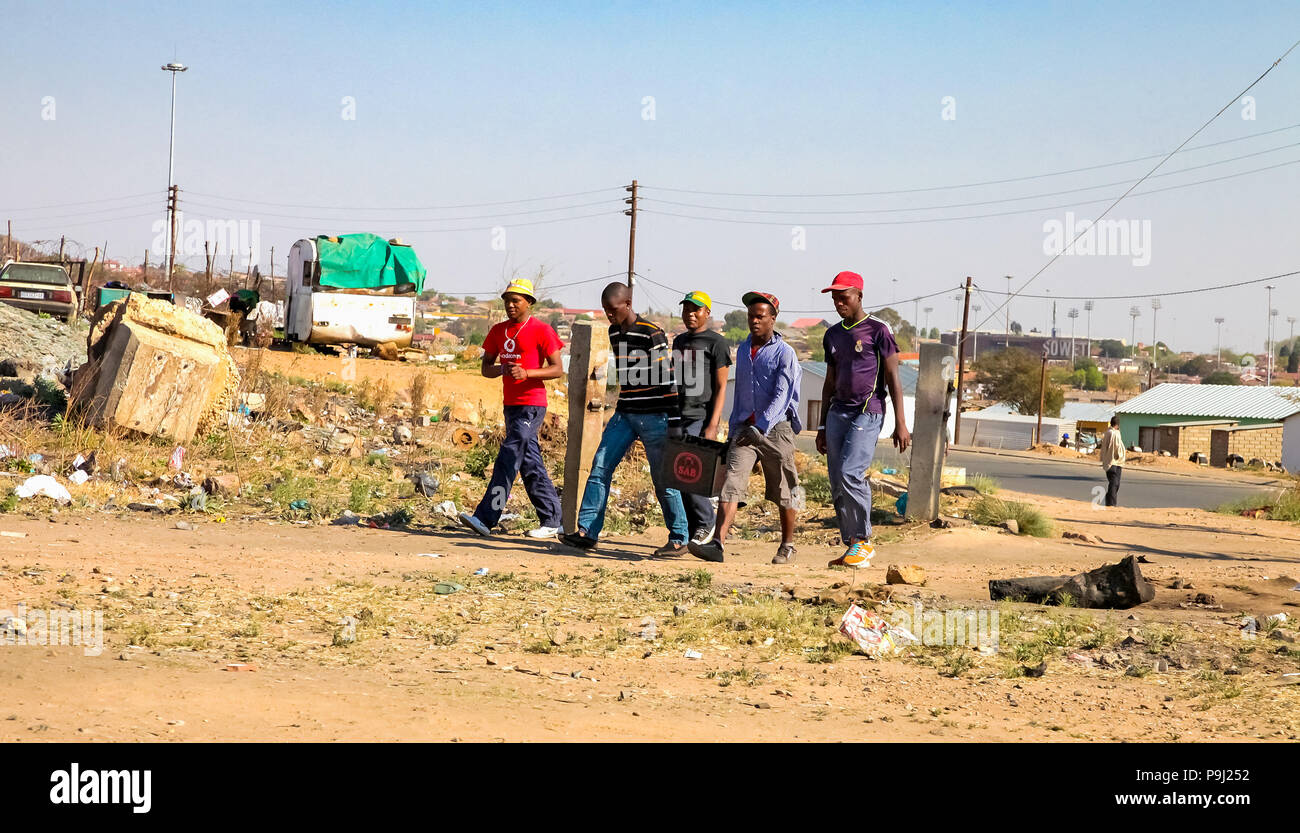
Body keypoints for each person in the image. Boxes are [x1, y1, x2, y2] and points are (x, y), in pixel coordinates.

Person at [562, 282, 689, 555]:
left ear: (628, 304)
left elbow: (667, 380)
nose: (609, 315)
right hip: (626, 413)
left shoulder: (651, 333)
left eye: (614, 310)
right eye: (606, 311)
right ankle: (586, 531)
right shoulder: (613, 333)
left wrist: (675, 422)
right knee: (599, 466)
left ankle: (679, 538)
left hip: (655, 416)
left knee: (662, 478)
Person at [689, 292, 802, 564]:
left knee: (785, 489)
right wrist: (734, 431)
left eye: (760, 317)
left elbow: (782, 394)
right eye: (751, 316)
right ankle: (717, 544)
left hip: (776, 430)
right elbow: (740, 392)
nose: (754, 321)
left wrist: (762, 426)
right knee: (732, 482)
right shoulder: (742, 348)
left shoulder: (785, 353)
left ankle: (787, 545)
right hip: (745, 429)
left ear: (773, 319)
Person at [815, 271, 911, 568]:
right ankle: (853, 546)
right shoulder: (832, 334)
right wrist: (820, 425)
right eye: (834, 298)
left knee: (849, 472)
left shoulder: (878, 330)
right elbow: (829, 382)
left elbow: (894, 377)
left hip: (868, 410)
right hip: (836, 413)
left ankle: (864, 540)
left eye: (843, 297)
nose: (838, 302)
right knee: (837, 481)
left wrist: (901, 423)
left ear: (858, 295)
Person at [458, 277, 566, 539]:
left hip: (532, 405)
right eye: (507, 301)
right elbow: (486, 369)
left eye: (516, 300)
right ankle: (553, 520)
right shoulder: (498, 331)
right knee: (529, 463)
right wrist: (501, 370)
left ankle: (485, 518)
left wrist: (526, 373)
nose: (510, 305)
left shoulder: (541, 330)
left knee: (508, 455)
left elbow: (558, 369)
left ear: (529, 302)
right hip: (511, 405)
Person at [671, 290, 732, 545]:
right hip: (679, 415)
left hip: (700, 415)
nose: (691, 314)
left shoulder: (716, 343)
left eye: (696, 309)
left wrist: (713, 423)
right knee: (676, 474)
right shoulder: (679, 341)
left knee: (691, 473)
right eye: (687, 309)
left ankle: (706, 524)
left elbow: (721, 387)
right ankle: (691, 528)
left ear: (707, 312)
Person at [1098, 415, 1125, 507]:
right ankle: (1111, 503)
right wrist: (1120, 456)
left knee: (1114, 483)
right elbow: (1117, 447)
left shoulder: (1107, 432)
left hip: (1110, 461)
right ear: (1117, 425)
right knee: (1115, 483)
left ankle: (1110, 501)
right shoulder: (1114, 433)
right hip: (1114, 461)